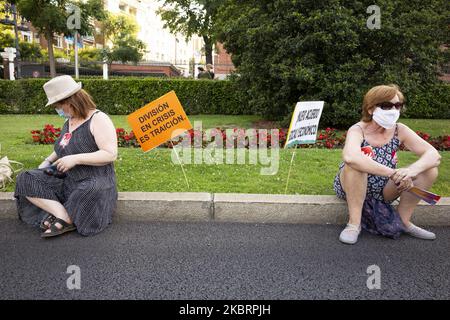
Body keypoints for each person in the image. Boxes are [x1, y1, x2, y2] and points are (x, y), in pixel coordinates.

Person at [333, 84, 441, 244]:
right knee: (355, 166)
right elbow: (350, 157)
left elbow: (434, 155)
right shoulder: (358, 130)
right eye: (386, 106)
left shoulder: (399, 130)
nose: (393, 110)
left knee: (430, 170)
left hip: (384, 189)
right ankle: (353, 224)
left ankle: (404, 221)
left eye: (397, 105)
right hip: (352, 184)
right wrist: (392, 173)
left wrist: (410, 171)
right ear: (370, 109)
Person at [14, 75, 118, 238]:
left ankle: (61, 217)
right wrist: (48, 161)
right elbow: (63, 146)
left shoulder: (98, 119)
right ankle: (64, 216)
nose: (58, 110)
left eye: (58, 105)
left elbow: (110, 154)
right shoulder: (69, 121)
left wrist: (75, 159)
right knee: (25, 178)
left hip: (96, 179)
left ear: (72, 101)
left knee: (86, 190)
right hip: (68, 179)